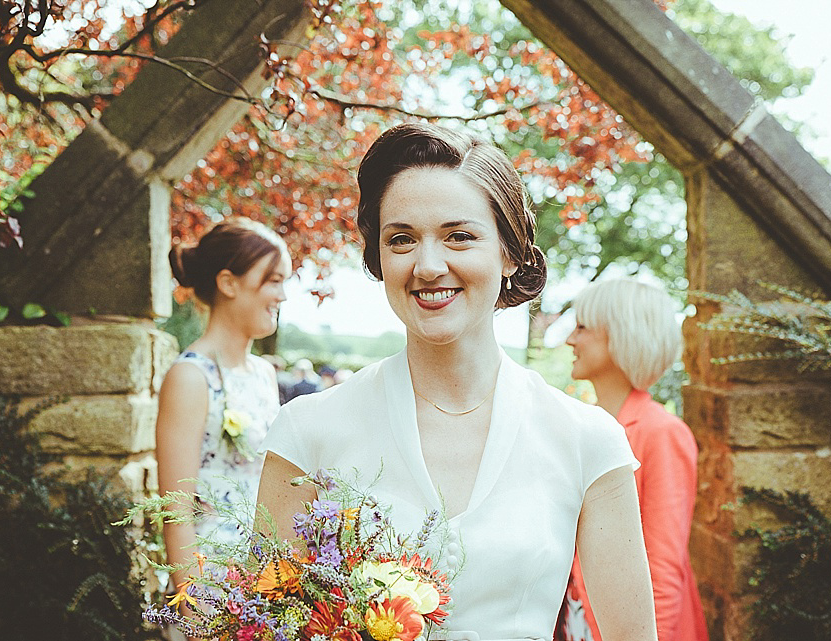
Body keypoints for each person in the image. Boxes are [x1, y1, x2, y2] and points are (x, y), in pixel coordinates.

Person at [257, 123, 657, 641]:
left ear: (509, 253)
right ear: (379, 257)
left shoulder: (587, 439)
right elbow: (265, 624)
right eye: (401, 239)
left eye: (459, 236)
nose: (427, 265)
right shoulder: (307, 431)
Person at [556, 278, 708, 641]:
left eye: (582, 327)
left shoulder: (662, 433)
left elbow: (663, 570)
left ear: (621, 336)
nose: (569, 340)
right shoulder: (576, 427)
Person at [157, 218, 290, 611]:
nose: (283, 295)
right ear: (229, 283)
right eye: (272, 280)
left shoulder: (265, 374)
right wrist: (194, 610)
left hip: (267, 587)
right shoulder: (190, 377)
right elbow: (175, 508)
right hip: (211, 584)